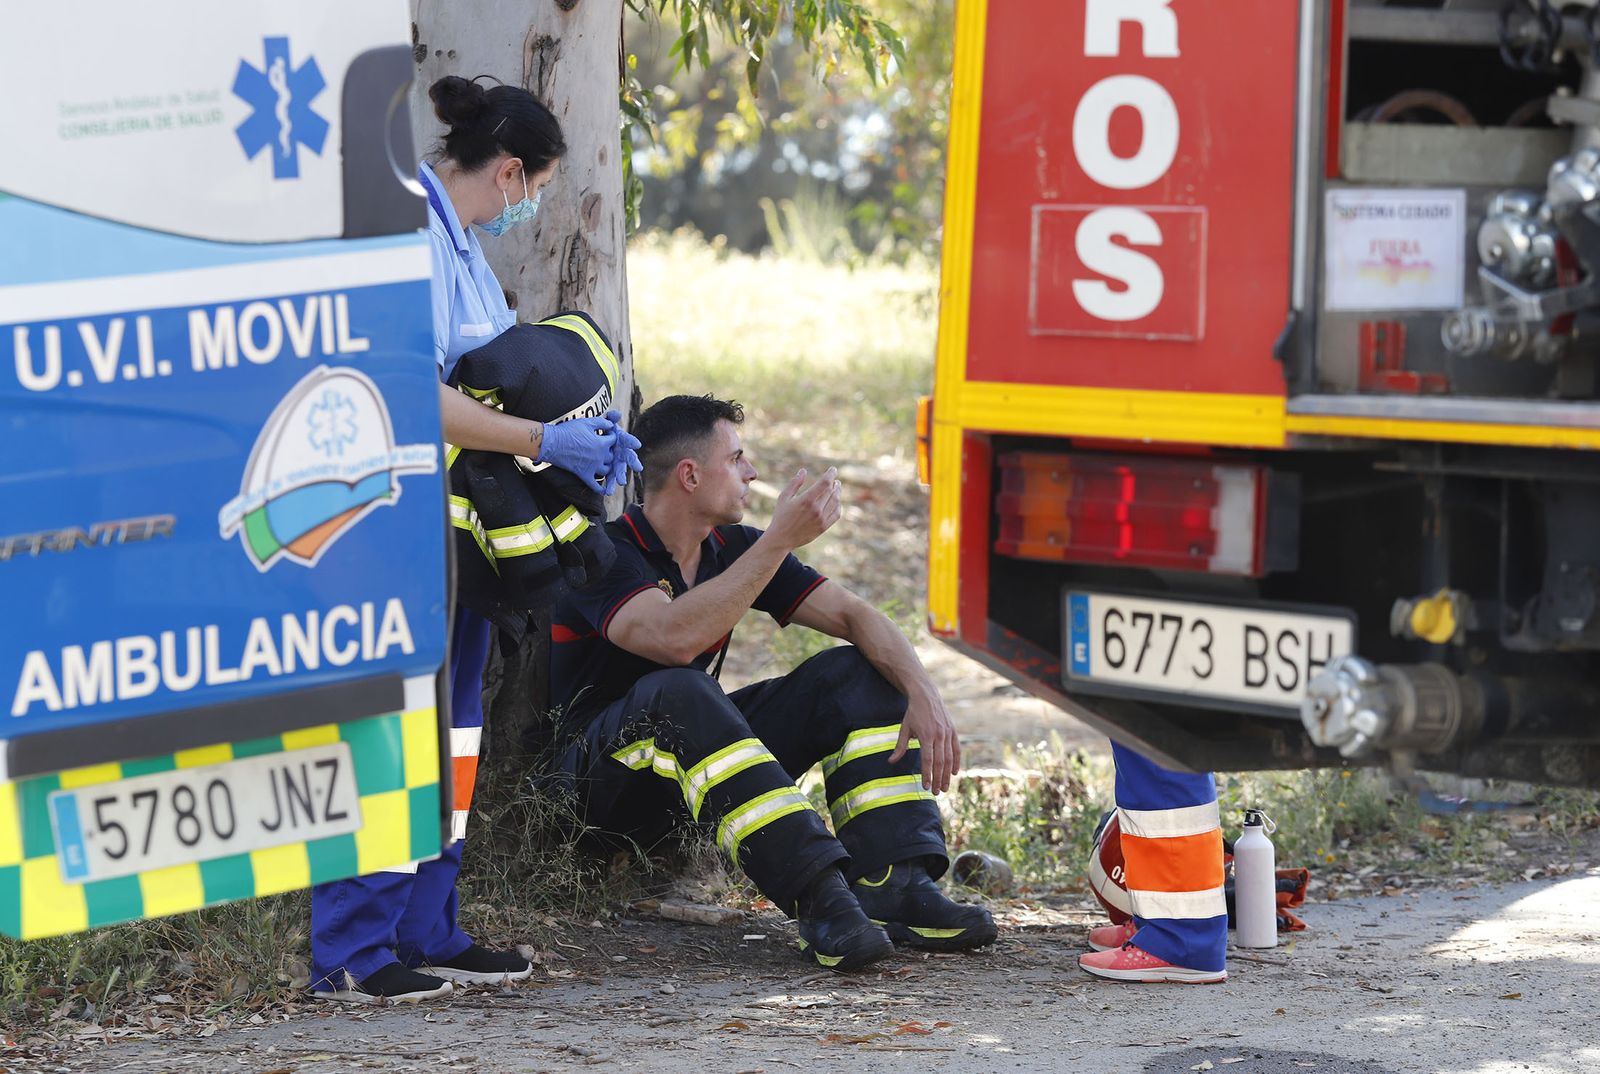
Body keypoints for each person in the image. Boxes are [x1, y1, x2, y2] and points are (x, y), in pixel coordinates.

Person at [310, 75, 637, 1005]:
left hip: (462, 533)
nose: (532, 205)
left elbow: (495, 373)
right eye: (536, 187)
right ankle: (351, 948)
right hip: (395, 523)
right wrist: (545, 440)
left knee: (453, 733)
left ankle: (426, 927)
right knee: (395, 730)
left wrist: (580, 429)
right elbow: (415, 394)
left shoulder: (460, 248)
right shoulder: (408, 235)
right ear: (507, 171)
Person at [546, 394, 996, 971]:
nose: (752, 473)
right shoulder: (606, 552)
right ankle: (821, 902)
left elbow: (856, 615)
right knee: (680, 689)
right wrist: (778, 540)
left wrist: (924, 693)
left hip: (688, 777)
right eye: (737, 459)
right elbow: (671, 639)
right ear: (690, 476)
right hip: (595, 789)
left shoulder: (733, 550)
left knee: (856, 672)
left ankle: (894, 885)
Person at [1076, 744, 1228, 984]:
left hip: (1184, 942)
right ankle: (1156, 925)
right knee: (1143, 759)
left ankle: (1179, 940)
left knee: (1161, 759)